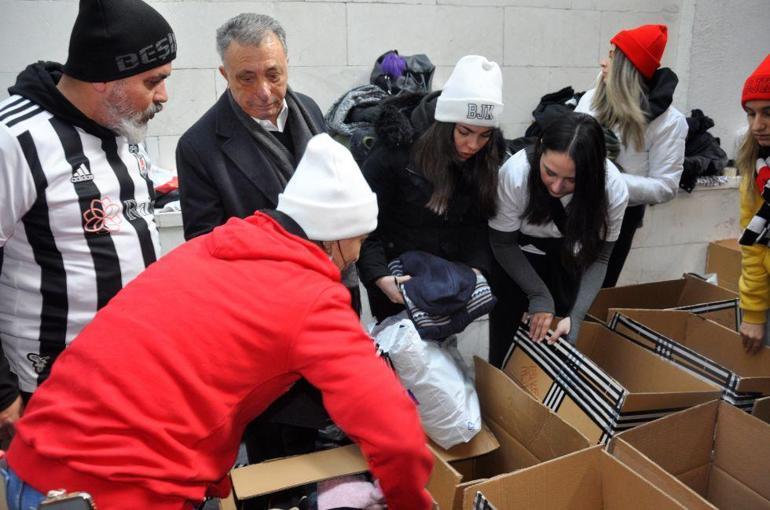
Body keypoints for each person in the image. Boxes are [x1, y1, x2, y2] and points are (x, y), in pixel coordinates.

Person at [4, 134, 434, 510]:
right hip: (116, 490)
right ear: (338, 235)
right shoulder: (312, 297)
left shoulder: (210, 249)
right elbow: (395, 433)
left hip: (34, 462)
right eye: (360, 239)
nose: (359, 253)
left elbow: (196, 374)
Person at [0, 0, 175, 438]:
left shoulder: (122, 125)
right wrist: (1, 394)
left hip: (134, 372)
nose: (163, 96)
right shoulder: (15, 141)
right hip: (52, 385)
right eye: (153, 81)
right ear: (104, 78)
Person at [357, 55, 505, 322]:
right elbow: (363, 223)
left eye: (484, 135)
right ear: (445, 124)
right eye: (464, 132)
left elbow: (476, 220)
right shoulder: (396, 148)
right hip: (398, 275)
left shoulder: (484, 157)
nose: (473, 145)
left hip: (449, 279)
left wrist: (477, 268)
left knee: (441, 355)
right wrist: (378, 275)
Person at [487, 113, 628, 367]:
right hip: (516, 259)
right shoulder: (517, 172)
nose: (556, 187)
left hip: (570, 261)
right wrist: (538, 294)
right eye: (549, 172)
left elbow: (601, 257)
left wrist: (575, 316)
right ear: (540, 149)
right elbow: (501, 243)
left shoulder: (612, 187)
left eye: (572, 179)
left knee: (555, 354)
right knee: (506, 352)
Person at [574, 24, 688, 287]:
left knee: (593, 296)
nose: (603, 62)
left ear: (628, 67)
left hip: (617, 218)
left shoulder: (670, 123)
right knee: (560, 294)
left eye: (613, 56)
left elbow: (666, 186)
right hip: (574, 206)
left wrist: (605, 179)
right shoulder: (591, 99)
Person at [737, 54, 770, 355]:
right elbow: (753, 245)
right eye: (751, 113)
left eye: (768, 112)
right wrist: (754, 312)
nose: (757, 125)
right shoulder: (756, 167)